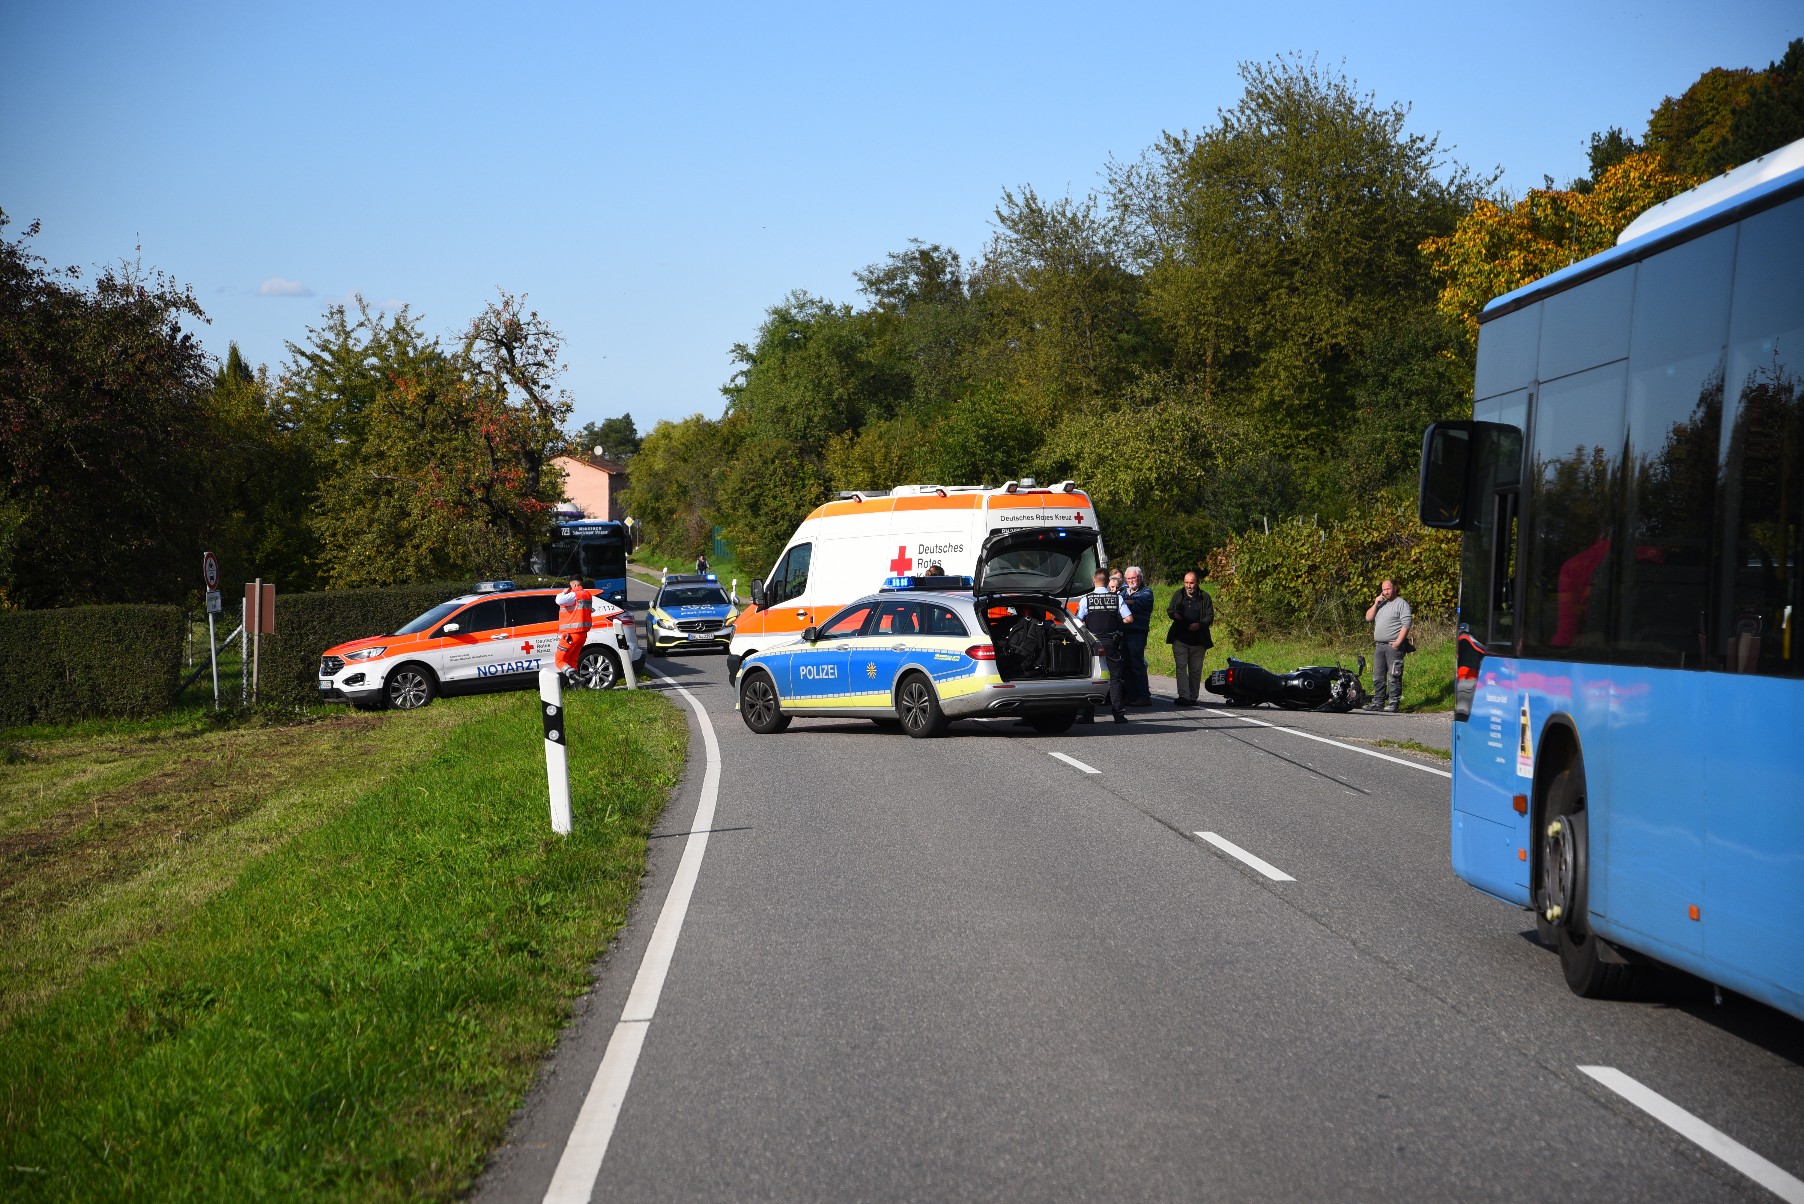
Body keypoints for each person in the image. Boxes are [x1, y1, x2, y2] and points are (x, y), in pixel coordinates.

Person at [1077, 568, 1132, 724]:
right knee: (1114, 678)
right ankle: (1118, 714)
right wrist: (1116, 621)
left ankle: (1088, 715)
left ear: (1094, 580)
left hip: (1093, 643)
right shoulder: (1117, 599)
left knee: (1091, 677)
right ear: (1108, 581)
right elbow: (1129, 619)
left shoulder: (1086, 599)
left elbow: (1078, 621)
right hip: (1111, 642)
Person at [1165, 570, 1214, 706]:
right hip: (1180, 639)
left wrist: (1200, 625)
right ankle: (1184, 696)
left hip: (1198, 641)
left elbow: (1210, 616)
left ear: (1197, 583)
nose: (1189, 586)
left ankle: (1193, 697)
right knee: (1181, 667)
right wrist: (1175, 615)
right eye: (1186, 582)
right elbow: (1170, 610)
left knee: (1195, 670)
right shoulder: (1178, 595)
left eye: (1191, 583)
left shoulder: (1205, 597)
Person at [1364, 578, 1412, 712]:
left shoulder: (1401, 604)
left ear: (1395, 588)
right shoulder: (1381, 604)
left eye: (1388, 589)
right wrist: (1375, 603)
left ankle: (1393, 703)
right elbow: (1368, 618)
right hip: (1379, 646)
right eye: (1384, 589)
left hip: (1393, 646)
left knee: (1394, 676)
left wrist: (1398, 642)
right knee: (1377, 675)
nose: (1386, 592)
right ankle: (1378, 702)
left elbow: (1406, 624)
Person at [1120, 566, 1154, 706]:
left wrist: (1122, 603)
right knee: (1126, 666)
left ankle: (1144, 697)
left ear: (1140, 578)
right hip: (1124, 633)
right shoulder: (1123, 591)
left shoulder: (1147, 592)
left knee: (1137, 665)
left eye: (1134, 578)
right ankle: (1131, 696)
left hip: (1138, 633)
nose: (1131, 581)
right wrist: (1123, 602)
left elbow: (1138, 605)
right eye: (1128, 578)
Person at [555, 577, 598, 687]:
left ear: (574, 585)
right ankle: (575, 687)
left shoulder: (574, 595)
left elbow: (558, 600)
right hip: (582, 634)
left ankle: (577, 678)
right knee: (572, 661)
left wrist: (563, 592)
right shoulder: (587, 594)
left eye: (570, 586)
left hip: (570, 635)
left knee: (559, 660)